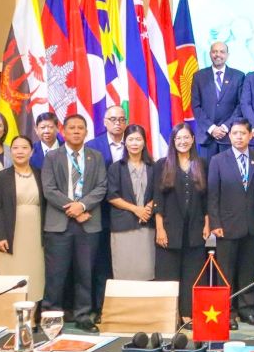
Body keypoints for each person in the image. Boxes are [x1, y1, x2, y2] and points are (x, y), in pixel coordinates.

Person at [40, 114, 106, 331]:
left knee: (85, 273)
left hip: (88, 224)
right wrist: (74, 210)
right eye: (72, 128)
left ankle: (83, 315)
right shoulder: (52, 157)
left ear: (86, 132)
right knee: (55, 274)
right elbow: (49, 189)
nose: (76, 131)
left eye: (80, 128)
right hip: (59, 225)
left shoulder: (96, 157)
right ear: (63, 131)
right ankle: (51, 317)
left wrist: (83, 206)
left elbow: (101, 187)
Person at [207, 119, 254, 326]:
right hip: (226, 226)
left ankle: (247, 310)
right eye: (235, 133)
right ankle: (227, 312)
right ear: (229, 136)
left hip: (252, 225)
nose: (239, 137)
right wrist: (215, 223)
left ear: (250, 136)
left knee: (248, 270)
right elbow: (213, 195)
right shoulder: (218, 160)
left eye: (243, 133)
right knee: (226, 272)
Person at [153, 122, 208, 321]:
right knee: (168, 274)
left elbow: (206, 197)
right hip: (169, 229)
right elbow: (157, 198)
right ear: (173, 141)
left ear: (193, 139)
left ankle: (187, 315)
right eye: (178, 138)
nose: (182, 141)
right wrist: (159, 228)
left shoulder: (202, 164)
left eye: (186, 137)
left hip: (195, 229)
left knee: (193, 275)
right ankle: (170, 316)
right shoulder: (162, 165)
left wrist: (207, 223)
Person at [0, 135, 45, 301]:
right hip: (10, 233)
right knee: (12, 272)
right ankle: (11, 310)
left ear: (32, 152)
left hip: (36, 232)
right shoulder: (1, 177)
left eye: (24, 148)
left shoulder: (40, 174)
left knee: (35, 270)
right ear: (11, 151)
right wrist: (0, 235)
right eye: (15, 148)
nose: (20, 151)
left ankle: (33, 311)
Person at [86, 105, 129, 313]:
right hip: (99, 213)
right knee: (102, 262)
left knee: (124, 262)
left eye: (121, 119)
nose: (117, 123)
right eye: (113, 119)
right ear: (104, 122)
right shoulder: (92, 146)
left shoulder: (134, 142)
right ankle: (101, 308)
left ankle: (124, 307)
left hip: (128, 214)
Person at [106, 124, 155, 282]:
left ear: (144, 142)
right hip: (123, 227)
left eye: (138, 139)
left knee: (146, 270)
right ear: (125, 142)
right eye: (131, 139)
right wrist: (136, 209)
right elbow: (112, 196)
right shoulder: (115, 168)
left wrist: (148, 208)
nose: (134, 143)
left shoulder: (153, 167)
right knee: (125, 271)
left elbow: (160, 192)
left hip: (147, 225)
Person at [191, 41, 247, 158]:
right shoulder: (199, 76)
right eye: (214, 51)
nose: (218, 55)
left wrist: (225, 127)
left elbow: (241, 105)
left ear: (227, 55)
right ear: (210, 54)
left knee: (228, 169)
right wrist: (212, 128)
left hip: (229, 136)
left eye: (222, 52)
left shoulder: (239, 76)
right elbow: (196, 106)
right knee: (205, 169)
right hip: (206, 137)